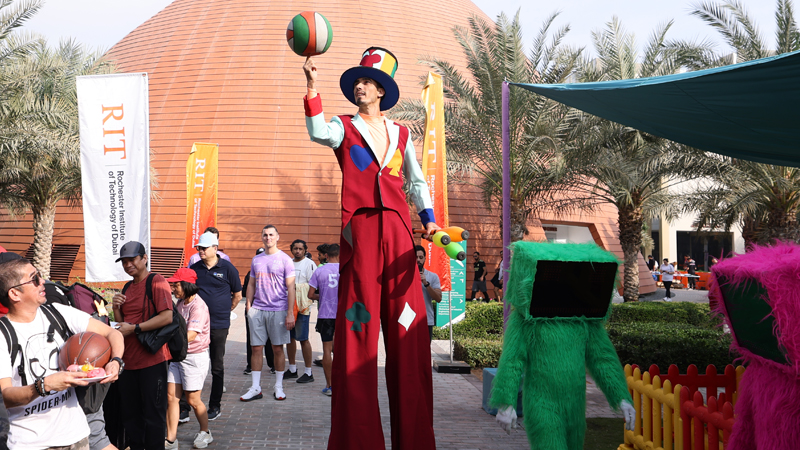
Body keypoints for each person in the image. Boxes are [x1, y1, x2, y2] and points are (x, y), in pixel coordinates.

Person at [304, 47, 439, 449]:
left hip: (398, 232)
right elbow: (318, 132)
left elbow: (416, 181)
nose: (360, 87)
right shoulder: (343, 126)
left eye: (367, 82)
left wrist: (428, 218)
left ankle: (414, 441)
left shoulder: (401, 133)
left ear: (381, 91)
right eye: (357, 82)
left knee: (408, 329)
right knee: (358, 332)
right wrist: (312, 87)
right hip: (361, 231)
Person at [0, 258, 124, 450]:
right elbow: (6, 396)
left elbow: (112, 333)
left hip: (76, 436)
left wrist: (115, 361)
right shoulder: (3, 334)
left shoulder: (57, 313)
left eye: (40, 275)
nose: (42, 281)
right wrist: (45, 385)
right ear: (14, 293)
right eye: (34, 279)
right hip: (31, 443)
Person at [109, 241, 173, 450]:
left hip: (152, 360)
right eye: (124, 262)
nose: (128, 265)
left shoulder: (156, 281)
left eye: (132, 260)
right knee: (131, 416)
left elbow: (167, 317)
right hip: (129, 362)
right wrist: (116, 308)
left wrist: (136, 328)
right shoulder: (127, 287)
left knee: (153, 416)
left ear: (144, 258)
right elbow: (122, 325)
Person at [189, 232, 242, 421]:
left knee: (217, 365)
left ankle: (215, 405)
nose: (200, 251)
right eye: (199, 248)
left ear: (215, 248)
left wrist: (225, 310)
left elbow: (237, 295)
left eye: (204, 248)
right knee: (190, 361)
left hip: (219, 324)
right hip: (197, 324)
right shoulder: (195, 268)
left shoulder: (228, 268)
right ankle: (185, 407)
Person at [241, 225, 296, 401]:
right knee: (256, 348)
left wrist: (290, 313)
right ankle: (255, 387)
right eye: (265, 235)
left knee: (277, 349)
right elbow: (251, 284)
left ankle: (278, 386)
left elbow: (291, 288)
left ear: (277, 237)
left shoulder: (285, 260)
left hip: (278, 310)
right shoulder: (256, 259)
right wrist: (249, 306)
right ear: (262, 237)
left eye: (271, 234)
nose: (268, 237)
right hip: (258, 310)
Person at [165, 268, 212, 449]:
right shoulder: (180, 302)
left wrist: (167, 342)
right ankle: (171, 439)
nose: (173, 289)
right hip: (178, 356)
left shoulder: (198, 306)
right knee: (171, 397)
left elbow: (191, 335)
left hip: (194, 358)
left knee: (193, 400)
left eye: (176, 285)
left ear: (187, 285)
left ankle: (205, 432)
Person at [307, 244, 340, 397]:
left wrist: (324, 296)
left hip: (325, 314)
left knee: (326, 350)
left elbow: (310, 295)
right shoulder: (345, 270)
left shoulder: (320, 270)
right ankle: (342, 384)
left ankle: (330, 385)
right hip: (342, 315)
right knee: (341, 350)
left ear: (326, 256)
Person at [286, 240, 316, 384]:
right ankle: (292, 369)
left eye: (300, 249)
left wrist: (298, 289)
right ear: (291, 249)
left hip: (302, 306)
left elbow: (314, 284)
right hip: (288, 306)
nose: (298, 251)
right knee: (289, 338)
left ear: (305, 250)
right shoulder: (288, 263)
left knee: (303, 338)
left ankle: (308, 372)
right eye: (295, 248)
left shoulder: (309, 264)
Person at [243, 248, 274, 376]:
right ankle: (251, 365)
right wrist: (249, 308)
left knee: (270, 338)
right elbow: (245, 291)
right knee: (253, 339)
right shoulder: (251, 273)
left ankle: (272, 365)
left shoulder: (273, 272)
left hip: (270, 308)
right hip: (254, 309)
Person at [415, 246, 441, 341]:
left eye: (421, 257)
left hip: (426, 320)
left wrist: (426, 283)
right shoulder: (404, 276)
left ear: (425, 259)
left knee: (424, 349)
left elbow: (438, 298)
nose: (418, 260)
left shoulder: (433, 276)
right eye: (416, 257)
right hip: (408, 320)